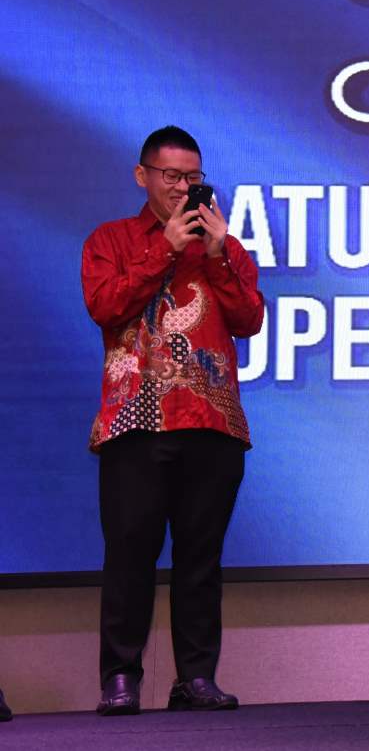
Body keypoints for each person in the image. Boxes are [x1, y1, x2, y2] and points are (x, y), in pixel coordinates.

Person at [81, 126, 264, 716]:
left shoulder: (225, 248)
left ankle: (196, 677)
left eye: (193, 177)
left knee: (200, 559)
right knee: (129, 554)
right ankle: (120, 677)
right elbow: (106, 305)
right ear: (143, 176)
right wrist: (163, 246)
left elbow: (249, 320)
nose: (184, 188)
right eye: (172, 176)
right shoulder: (111, 240)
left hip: (212, 421)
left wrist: (216, 254)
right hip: (134, 422)